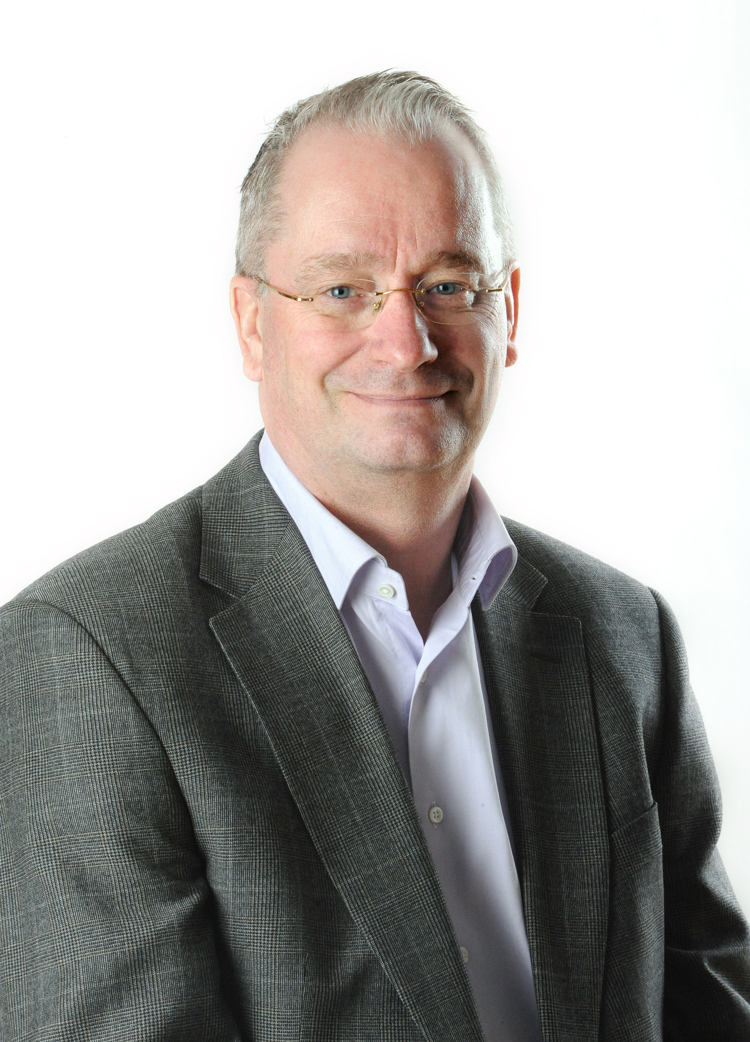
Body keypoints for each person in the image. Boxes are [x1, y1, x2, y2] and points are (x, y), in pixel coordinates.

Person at [1, 70, 748, 1042]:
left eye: (448, 285)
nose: (406, 342)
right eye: (343, 289)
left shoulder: (625, 637)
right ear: (252, 322)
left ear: (509, 312)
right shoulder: (88, 658)